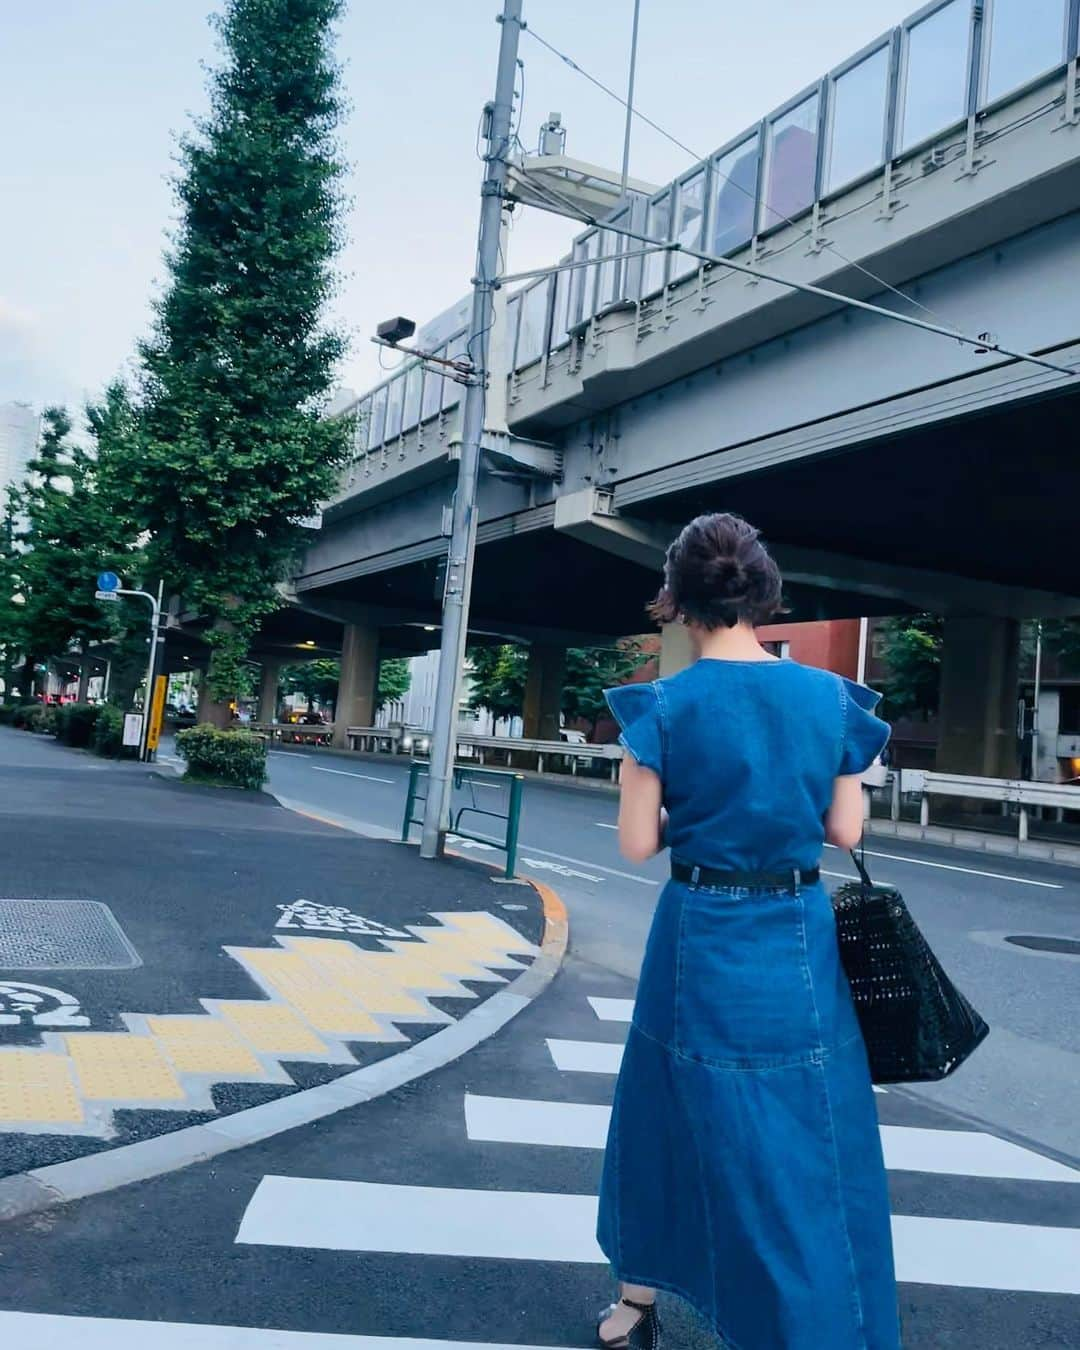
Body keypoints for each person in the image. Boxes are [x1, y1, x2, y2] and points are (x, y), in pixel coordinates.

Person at [595, 513, 899, 1350]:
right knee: (808, 1125)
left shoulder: (660, 707)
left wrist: (641, 776)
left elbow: (636, 844)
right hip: (796, 933)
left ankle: (635, 1308)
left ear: (679, 603)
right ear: (761, 595)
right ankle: (816, 1317)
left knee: (666, 1111)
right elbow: (846, 833)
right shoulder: (830, 700)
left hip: (698, 930)